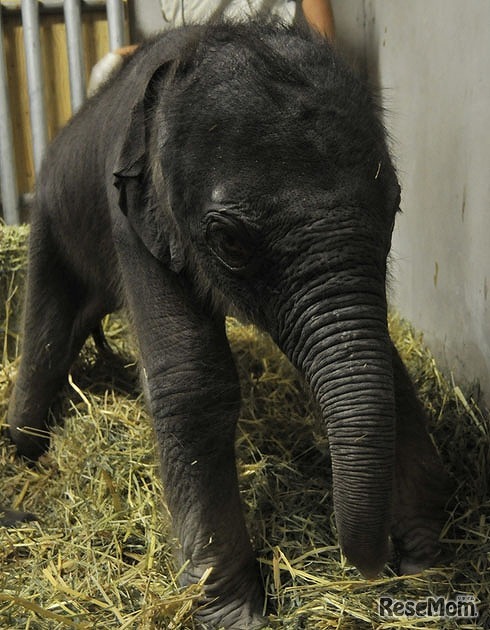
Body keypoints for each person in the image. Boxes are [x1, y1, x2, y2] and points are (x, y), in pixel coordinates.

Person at [88, 0, 335, 96]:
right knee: (106, 73)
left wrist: (326, 68)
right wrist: (130, 57)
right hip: (198, 67)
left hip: (264, 60)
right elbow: (186, 33)